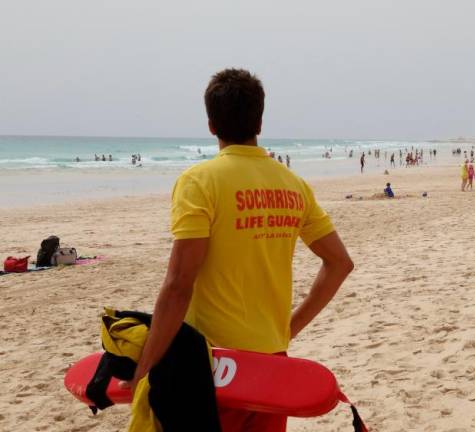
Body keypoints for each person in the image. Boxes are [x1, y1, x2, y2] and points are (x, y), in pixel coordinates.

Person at [124, 69, 354, 431]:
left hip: (213, 365)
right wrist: (285, 331)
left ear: (211, 125)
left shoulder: (199, 182)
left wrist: (145, 367)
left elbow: (178, 284)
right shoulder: (293, 185)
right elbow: (339, 264)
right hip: (270, 366)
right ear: (260, 120)